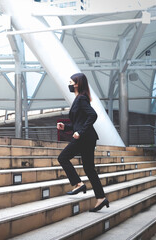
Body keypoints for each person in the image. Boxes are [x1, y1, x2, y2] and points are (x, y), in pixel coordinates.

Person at [57, 73, 109, 212]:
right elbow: (78, 122)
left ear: (77, 84)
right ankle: (101, 198)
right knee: (89, 169)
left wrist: (80, 132)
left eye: (70, 82)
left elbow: (93, 115)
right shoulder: (79, 99)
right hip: (88, 137)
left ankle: (78, 184)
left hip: (84, 137)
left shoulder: (81, 99)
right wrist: (66, 127)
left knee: (62, 157)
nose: (68, 84)